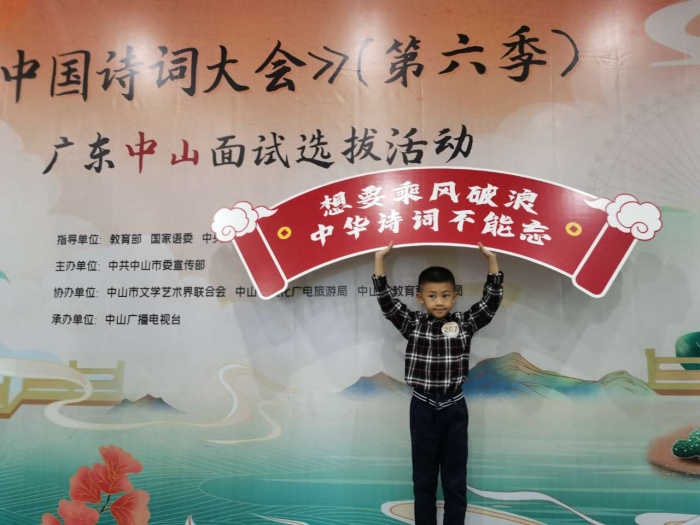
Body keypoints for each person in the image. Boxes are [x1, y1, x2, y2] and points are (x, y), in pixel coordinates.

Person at [372, 242, 503, 525]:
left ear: (455, 296)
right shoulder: (413, 324)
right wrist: (379, 260)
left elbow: (490, 303)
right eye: (432, 296)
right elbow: (387, 302)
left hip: (455, 406)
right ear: (420, 297)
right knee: (424, 479)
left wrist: (492, 261)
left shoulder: (464, 323)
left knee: (455, 479)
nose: (439, 302)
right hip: (422, 407)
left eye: (445, 295)